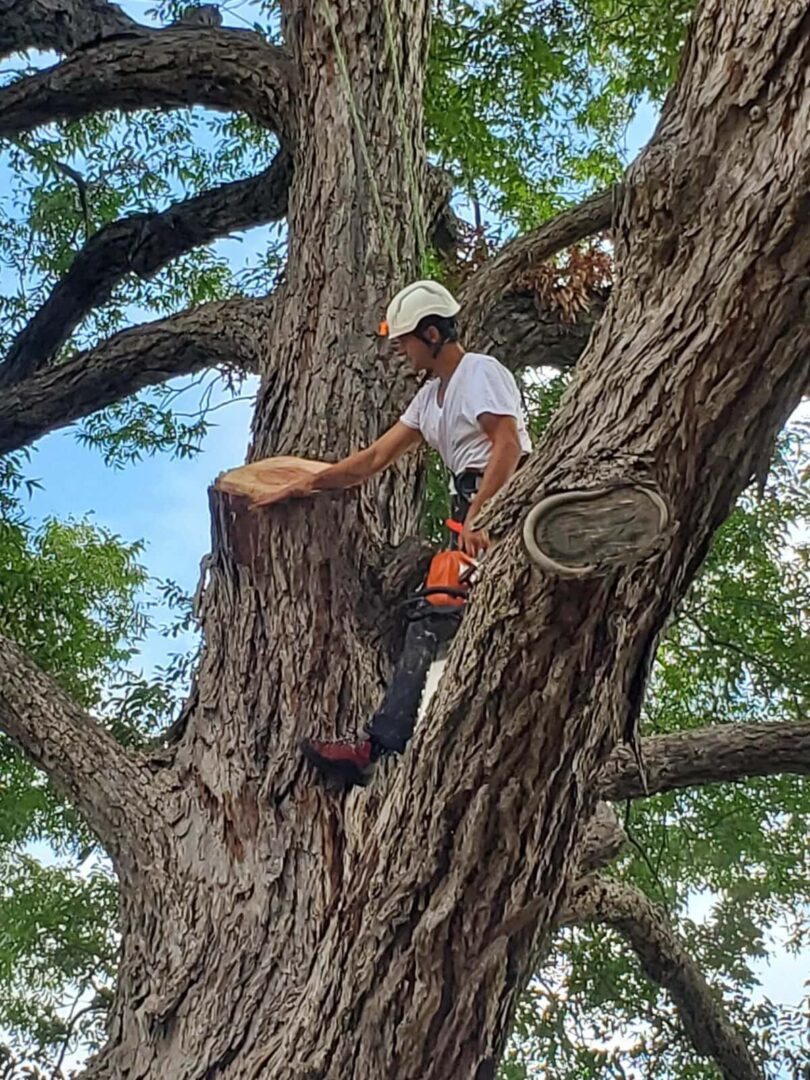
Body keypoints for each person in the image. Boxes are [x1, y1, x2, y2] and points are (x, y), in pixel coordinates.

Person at [285, 280, 533, 786]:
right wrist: (309, 481)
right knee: (435, 613)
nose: (401, 351)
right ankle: (415, 739)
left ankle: (384, 744)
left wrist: (482, 514)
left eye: (406, 341)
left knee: (441, 609)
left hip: (502, 498)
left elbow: (506, 443)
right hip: (473, 506)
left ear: (434, 333)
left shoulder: (477, 372)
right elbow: (375, 458)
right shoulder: (429, 398)